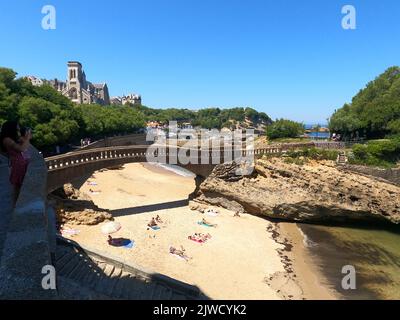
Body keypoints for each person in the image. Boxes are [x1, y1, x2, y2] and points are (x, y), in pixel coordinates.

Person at [0, 121, 31, 204]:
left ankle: (18, 204)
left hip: (20, 163)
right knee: (18, 187)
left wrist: (24, 137)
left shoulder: (12, 138)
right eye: (16, 128)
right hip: (17, 165)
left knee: (20, 186)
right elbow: (22, 149)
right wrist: (27, 139)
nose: (18, 129)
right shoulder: (7, 139)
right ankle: (17, 205)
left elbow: (23, 143)